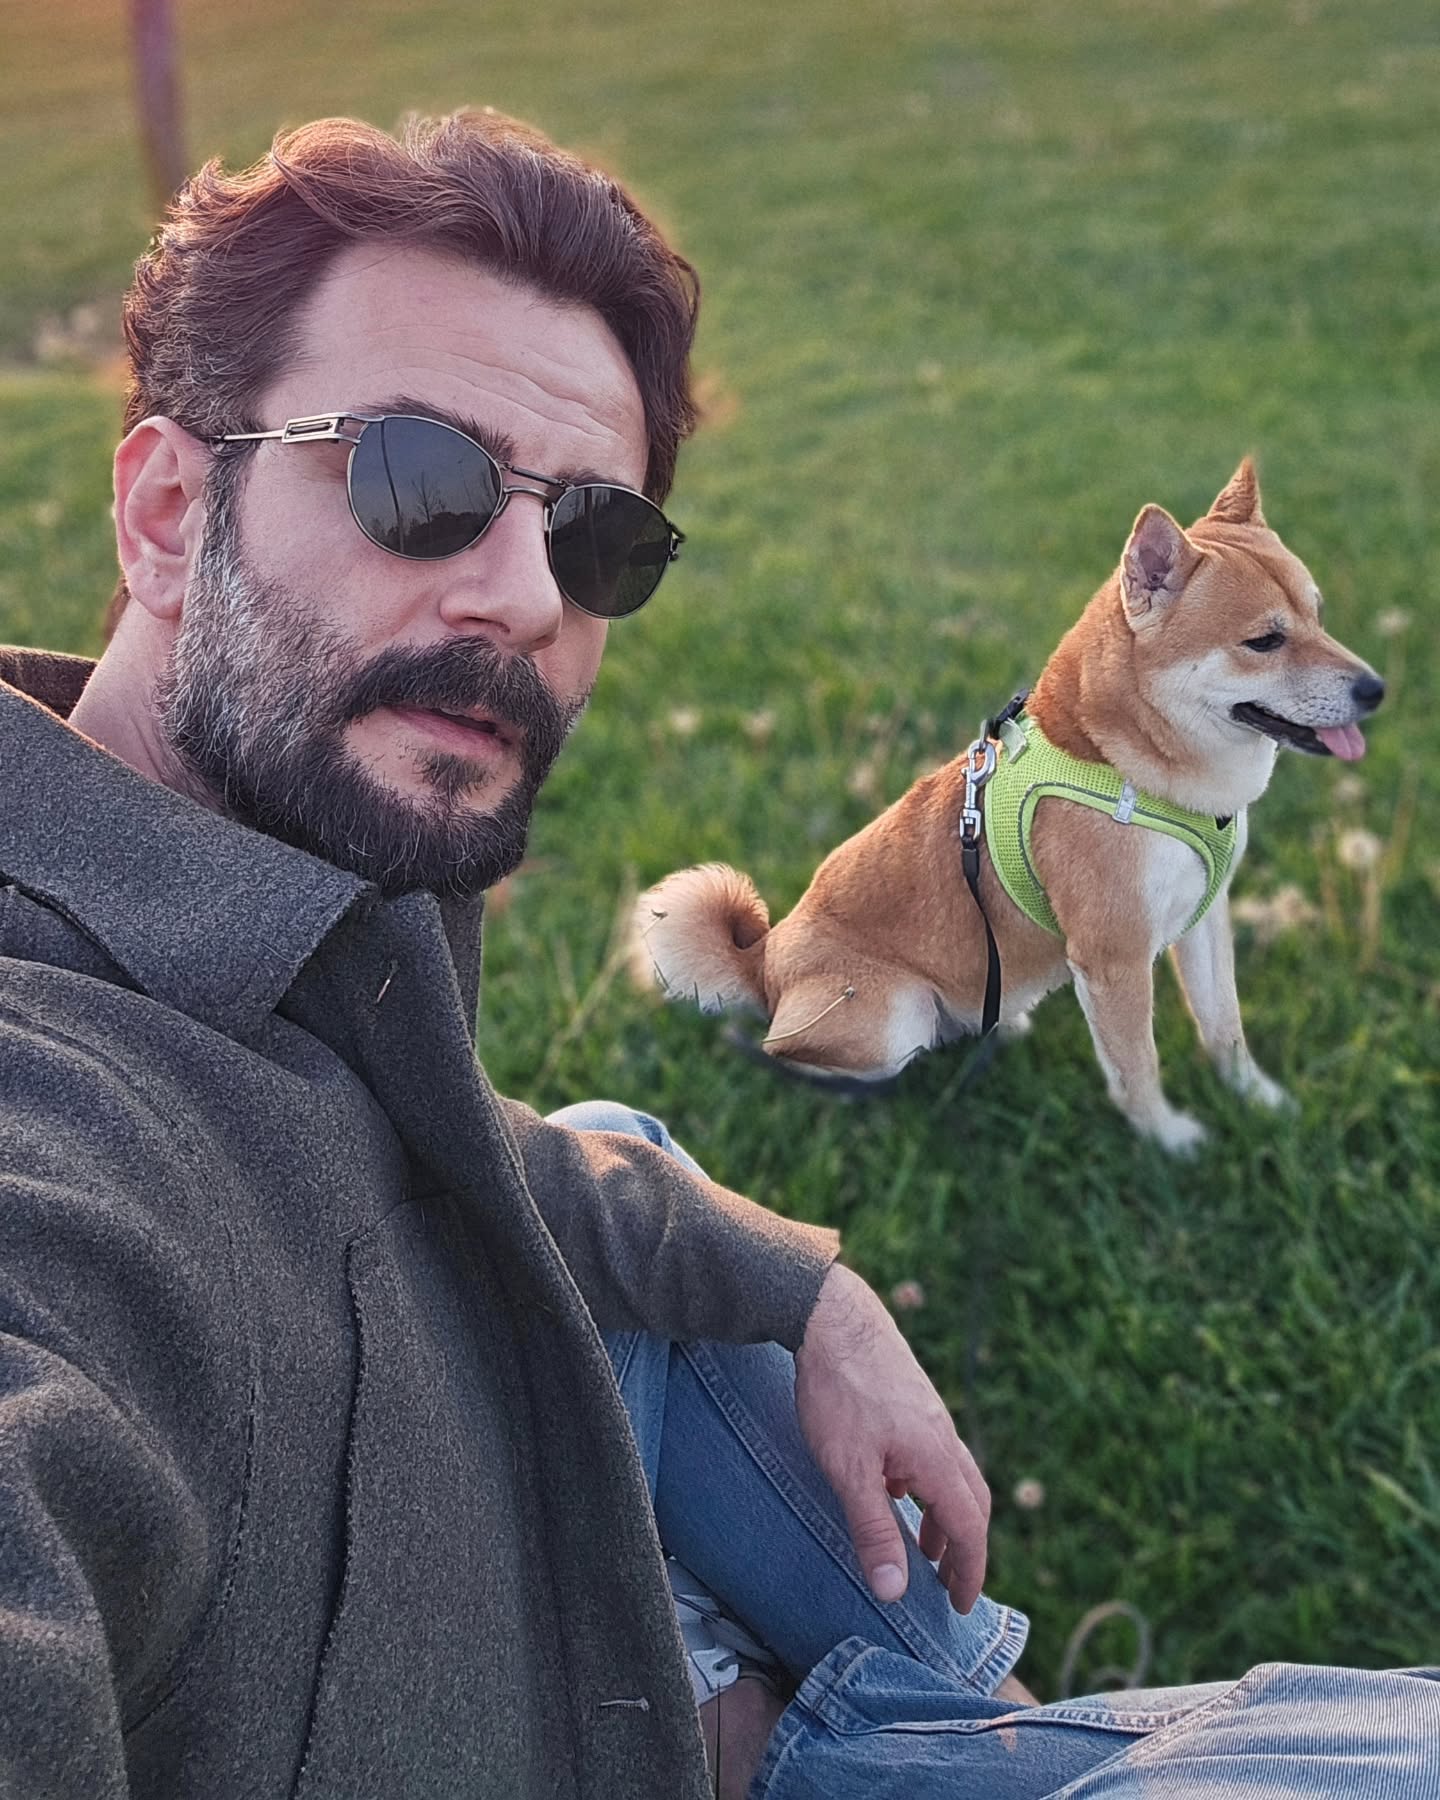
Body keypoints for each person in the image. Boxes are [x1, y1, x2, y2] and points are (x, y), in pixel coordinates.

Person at [0, 109, 1433, 1800]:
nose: (528, 598)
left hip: (573, 1600)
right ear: (170, 513)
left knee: (620, 1146)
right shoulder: (60, 1143)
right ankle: (962, 1732)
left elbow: (441, 1140)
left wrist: (800, 1284)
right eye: (419, 478)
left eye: (596, 538)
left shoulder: (254, 905)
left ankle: (933, 1710)